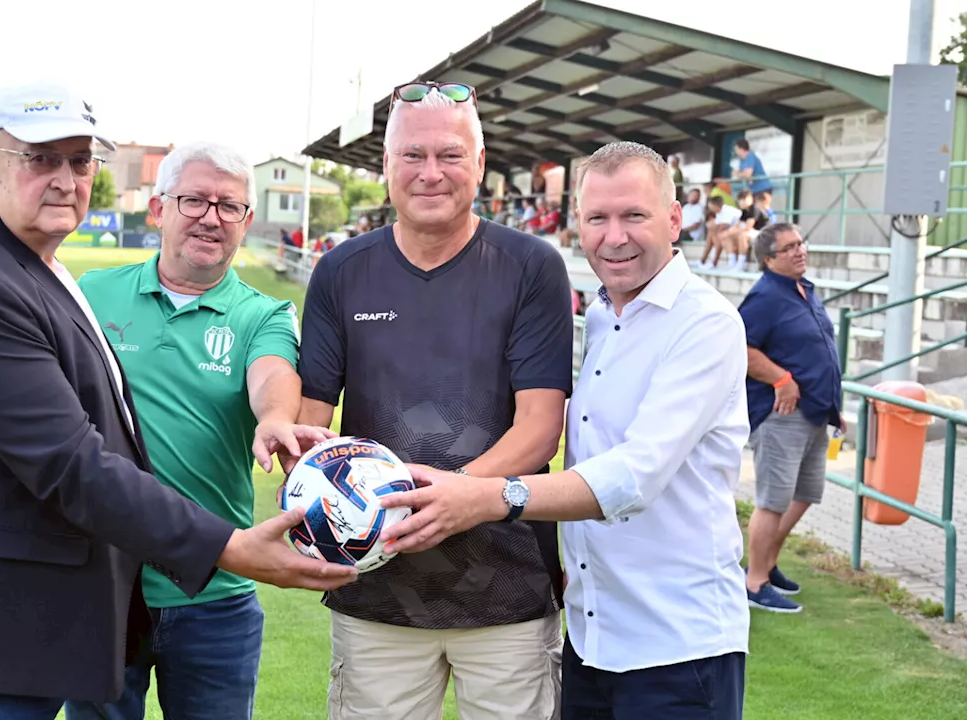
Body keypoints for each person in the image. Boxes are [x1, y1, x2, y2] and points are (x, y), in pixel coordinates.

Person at [0, 82, 356, 720]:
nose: (64, 178)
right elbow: (71, 463)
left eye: (80, 161)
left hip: (11, 620)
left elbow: (266, 374)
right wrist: (230, 546)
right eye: (40, 157)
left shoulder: (26, 264)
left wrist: (275, 420)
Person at [380, 141, 751, 719]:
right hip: (592, 639)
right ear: (577, 223)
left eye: (635, 215)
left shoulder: (705, 323)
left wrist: (489, 497)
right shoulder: (604, 314)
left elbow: (634, 476)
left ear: (675, 219)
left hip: (678, 646)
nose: (615, 236)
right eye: (597, 218)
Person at [297, 81, 572, 720]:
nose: (430, 173)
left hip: (507, 587)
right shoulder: (341, 271)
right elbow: (312, 421)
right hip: (377, 588)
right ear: (386, 166)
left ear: (479, 163)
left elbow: (540, 427)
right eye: (412, 156)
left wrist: (456, 497)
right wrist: (313, 483)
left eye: (450, 155)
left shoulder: (531, 267)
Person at [64, 141, 324, 720]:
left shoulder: (264, 314)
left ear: (246, 222)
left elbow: (272, 376)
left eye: (228, 206)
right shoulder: (91, 295)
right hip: (101, 587)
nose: (211, 217)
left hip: (216, 594)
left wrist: (278, 419)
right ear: (159, 209)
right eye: (194, 201)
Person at [740, 223, 842, 613]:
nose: (800, 251)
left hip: (817, 412)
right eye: (789, 248)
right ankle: (754, 584)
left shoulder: (805, 289)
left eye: (801, 243)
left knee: (804, 495)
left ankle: (766, 563)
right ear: (769, 260)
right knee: (773, 501)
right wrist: (781, 378)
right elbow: (742, 349)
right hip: (782, 415)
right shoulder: (764, 296)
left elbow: (822, 349)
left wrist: (834, 405)